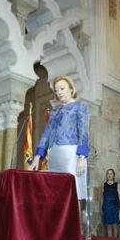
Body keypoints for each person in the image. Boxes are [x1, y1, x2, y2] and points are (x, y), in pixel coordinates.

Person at [30, 76, 89, 210]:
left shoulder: (80, 106)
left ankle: (75, 230)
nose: (59, 92)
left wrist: (82, 157)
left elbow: (84, 132)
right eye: (57, 90)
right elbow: (46, 134)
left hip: (71, 155)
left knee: (74, 194)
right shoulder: (55, 112)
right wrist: (37, 157)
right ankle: (61, 229)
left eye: (62, 88)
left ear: (71, 89)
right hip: (55, 155)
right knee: (57, 195)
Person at [102, 169, 120, 237]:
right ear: (106, 176)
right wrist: (101, 208)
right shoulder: (103, 185)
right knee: (108, 226)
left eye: (111, 173)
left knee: (115, 225)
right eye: (108, 173)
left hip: (115, 207)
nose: (109, 175)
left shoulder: (117, 184)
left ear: (113, 175)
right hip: (106, 207)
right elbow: (101, 197)